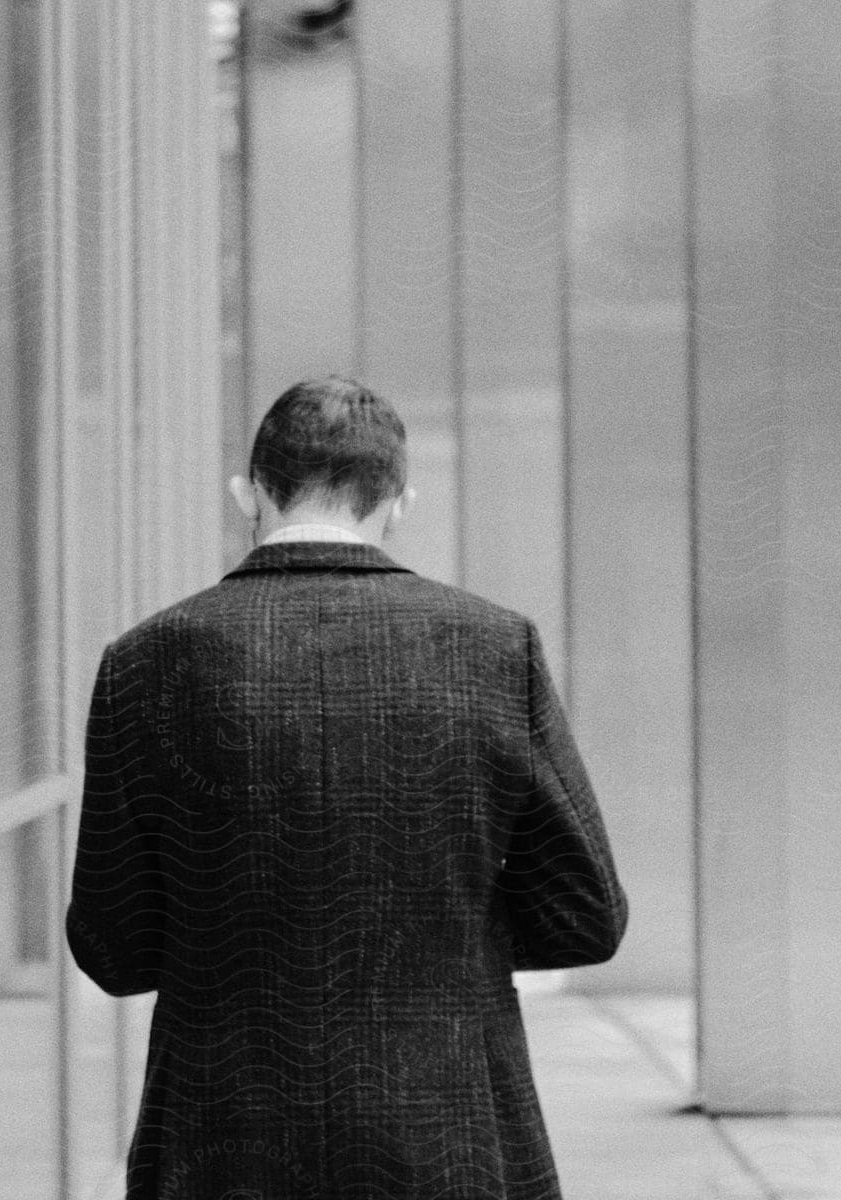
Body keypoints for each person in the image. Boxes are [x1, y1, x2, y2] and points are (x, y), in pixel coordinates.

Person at [65, 375, 628, 1199]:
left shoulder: (147, 660)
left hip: (219, 1133)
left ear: (246, 495)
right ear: (398, 504)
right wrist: (444, 931)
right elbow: (585, 918)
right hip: (449, 1131)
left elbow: (113, 949)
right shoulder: (494, 648)